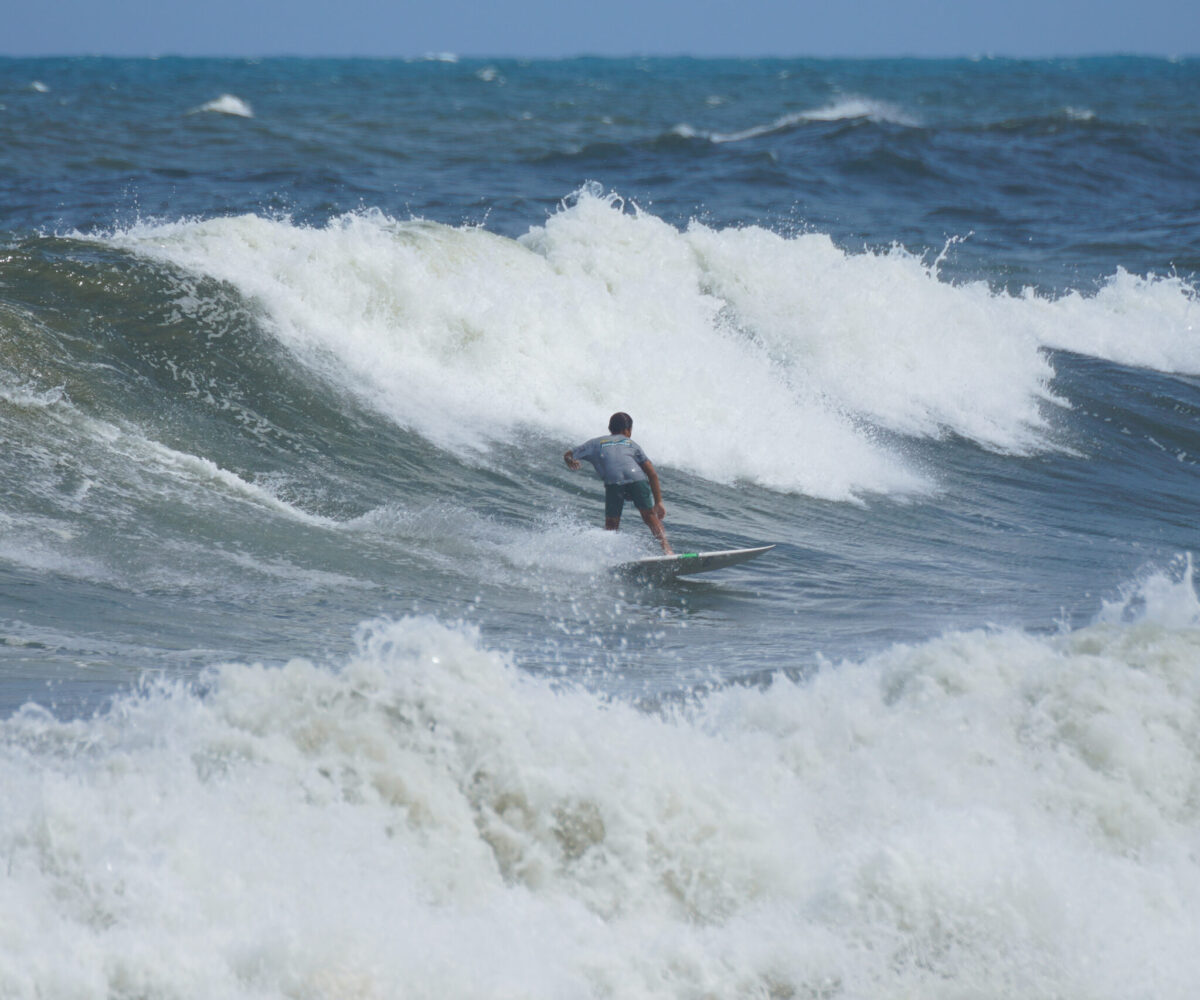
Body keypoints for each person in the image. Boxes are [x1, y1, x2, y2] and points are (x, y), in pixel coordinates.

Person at [564, 412, 673, 554]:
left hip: (614, 482)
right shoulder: (631, 443)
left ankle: (608, 556)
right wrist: (659, 502)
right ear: (627, 430)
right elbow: (652, 473)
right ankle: (667, 550)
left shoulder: (595, 443)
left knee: (612, 524)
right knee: (650, 516)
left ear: (610, 428)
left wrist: (571, 461)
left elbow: (568, 454)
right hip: (637, 478)